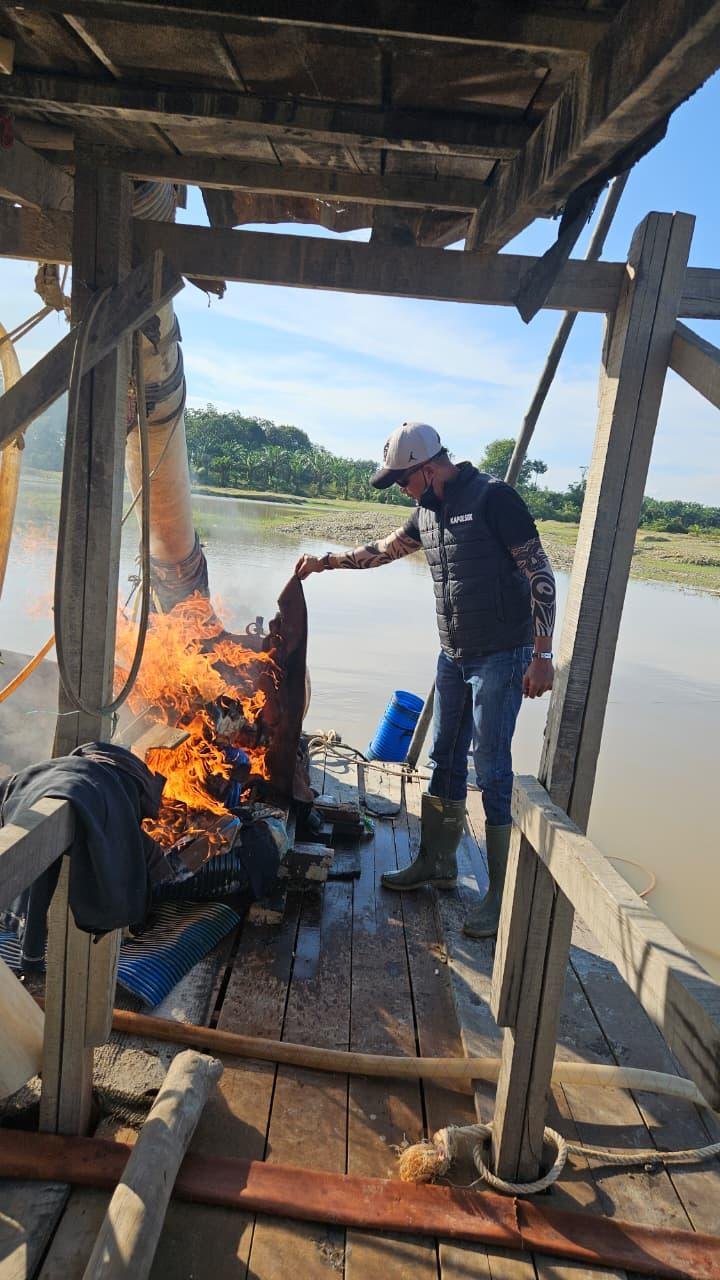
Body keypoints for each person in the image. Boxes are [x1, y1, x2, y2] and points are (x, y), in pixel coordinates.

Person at [296, 422, 556, 938]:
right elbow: (381, 551)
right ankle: (436, 861)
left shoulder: (494, 499)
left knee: (492, 764)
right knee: (445, 755)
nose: (400, 489)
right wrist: (325, 562)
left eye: (402, 481)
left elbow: (540, 574)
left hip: (503, 656)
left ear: (427, 468)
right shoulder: (427, 513)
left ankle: (501, 894)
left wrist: (543, 655)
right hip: (454, 655)